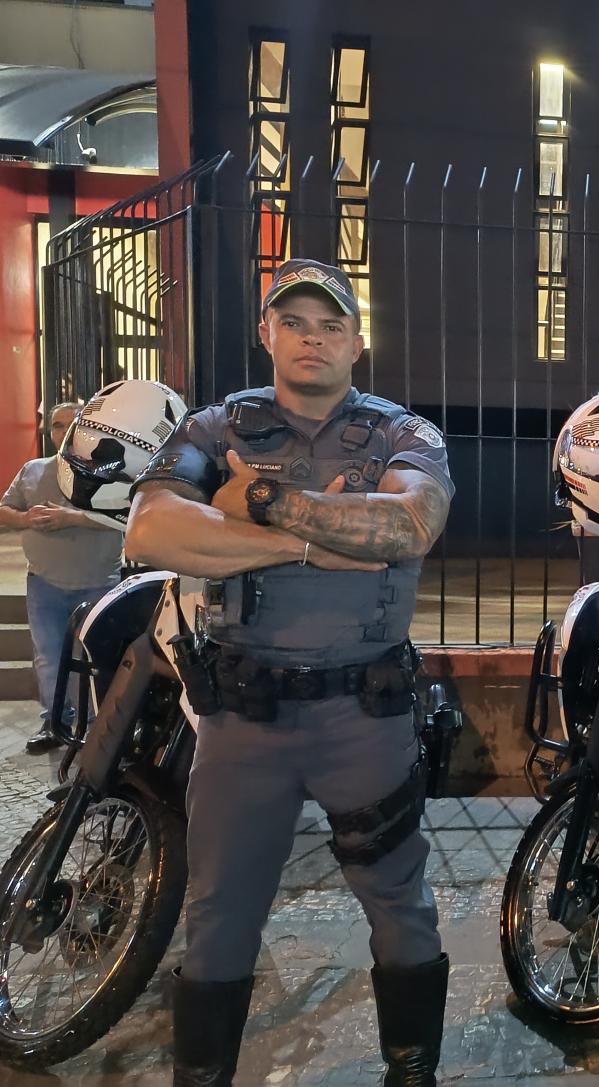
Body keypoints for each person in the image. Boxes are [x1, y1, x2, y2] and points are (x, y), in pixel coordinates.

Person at [125, 259, 454, 1087]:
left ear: (356, 340)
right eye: (296, 322)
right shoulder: (213, 429)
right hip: (244, 721)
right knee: (220, 914)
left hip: (365, 720)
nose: (313, 337)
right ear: (266, 332)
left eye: (331, 324)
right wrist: (317, 541)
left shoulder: (401, 434)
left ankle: (410, 1071)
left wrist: (261, 505)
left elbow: (409, 523)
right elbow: (155, 531)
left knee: (400, 905)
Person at [0, 401, 123, 753]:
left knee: (96, 658)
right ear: (50, 431)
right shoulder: (34, 471)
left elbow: (127, 517)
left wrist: (73, 519)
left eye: (73, 423)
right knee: (49, 657)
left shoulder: (111, 471)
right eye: (57, 424)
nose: (64, 430)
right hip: (45, 583)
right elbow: (4, 511)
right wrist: (25, 520)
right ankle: (55, 722)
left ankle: (97, 726)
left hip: (99, 581)